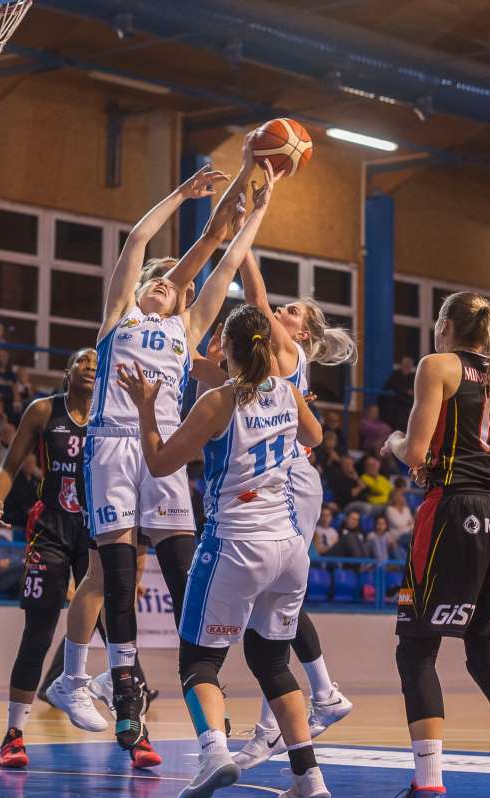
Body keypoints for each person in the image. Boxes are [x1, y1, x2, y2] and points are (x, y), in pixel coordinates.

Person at [83, 152, 258, 757]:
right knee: (120, 579)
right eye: (153, 280)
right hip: (111, 444)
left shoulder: (188, 327)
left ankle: (205, 698)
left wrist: (250, 216)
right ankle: (126, 695)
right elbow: (136, 240)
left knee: (186, 581)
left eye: (170, 282)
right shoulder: (119, 318)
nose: (162, 283)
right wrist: (182, 194)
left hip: (164, 453)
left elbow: (222, 258)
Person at [118, 302, 330, 798]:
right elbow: (315, 436)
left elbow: (160, 462)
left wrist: (146, 408)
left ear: (228, 349)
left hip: (236, 540)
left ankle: (214, 753)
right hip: (288, 545)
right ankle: (310, 779)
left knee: (199, 661)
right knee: (273, 663)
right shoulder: (288, 390)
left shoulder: (219, 401)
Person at [382, 291, 490, 798]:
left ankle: (429, 785)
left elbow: (415, 451)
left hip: (456, 512)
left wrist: (394, 443)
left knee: (417, 650)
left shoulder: (437, 365)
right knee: (488, 657)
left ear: (445, 326)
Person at [0, 349, 121, 769]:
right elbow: (8, 467)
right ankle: (14, 735)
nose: (90, 366)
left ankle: (133, 730)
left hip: (96, 529)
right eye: (82, 361)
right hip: (51, 530)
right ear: (67, 371)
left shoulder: (113, 415)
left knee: (117, 630)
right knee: (39, 631)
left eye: (97, 362)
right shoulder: (44, 410)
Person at [380, 356, 417, 432]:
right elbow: (395, 389)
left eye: (409, 366)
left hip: (409, 404)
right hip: (395, 405)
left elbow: (414, 390)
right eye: (405, 366)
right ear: (401, 365)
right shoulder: (395, 375)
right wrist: (406, 391)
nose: (407, 368)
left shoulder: (412, 376)